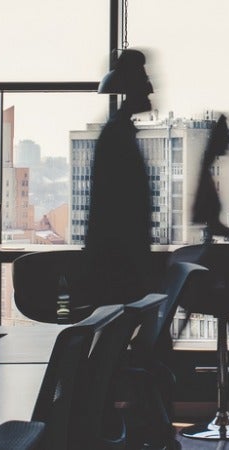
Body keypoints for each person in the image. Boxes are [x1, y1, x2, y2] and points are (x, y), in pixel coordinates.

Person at [85, 49, 157, 306]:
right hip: (120, 262)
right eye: (144, 83)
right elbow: (122, 205)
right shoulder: (118, 135)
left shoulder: (117, 132)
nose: (150, 90)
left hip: (115, 259)